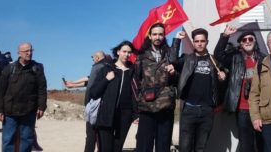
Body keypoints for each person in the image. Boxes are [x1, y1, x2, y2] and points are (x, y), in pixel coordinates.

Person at [173, 28, 226, 152]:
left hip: (207, 110)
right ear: (193, 42)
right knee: (185, 147)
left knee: (200, 148)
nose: (200, 43)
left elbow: (223, 82)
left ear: (207, 42)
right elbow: (172, 60)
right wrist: (177, 40)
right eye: (197, 41)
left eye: (202, 41)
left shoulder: (214, 60)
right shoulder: (187, 58)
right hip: (189, 109)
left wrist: (223, 78)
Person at [214, 26, 266, 152]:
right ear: (241, 44)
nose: (247, 41)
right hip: (243, 108)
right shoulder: (235, 57)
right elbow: (218, 54)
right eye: (244, 40)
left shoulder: (264, 58)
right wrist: (225, 36)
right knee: (246, 143)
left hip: (261, 108)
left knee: (262, 142)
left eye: (250, 39)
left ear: (254, 41)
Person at [0, 43, 47, 152]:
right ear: (19, 53)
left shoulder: (37, 68)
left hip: (29, 111)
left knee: (27, 139)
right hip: (10, 112)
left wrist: (41, 107)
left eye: (31, 50)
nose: (29, 53)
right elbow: (0, 91)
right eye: (26, 51)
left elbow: (42, 89)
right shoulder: (9, 68)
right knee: (8, 140)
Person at [134, 23, 179, 152]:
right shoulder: (141, 56)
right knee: (144, 145)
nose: (157, 37)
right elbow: (136, 81)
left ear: (164, 36)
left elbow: (178, 79)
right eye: (155, 34)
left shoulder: (170, 54)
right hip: (146, 107)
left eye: (160, 34)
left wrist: (174, 73)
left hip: (166, 106)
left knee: (163, 145)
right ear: (150, 36)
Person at [88, 42, 137, 152]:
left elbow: (135, 93)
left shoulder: (133, 70)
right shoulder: (107, 68)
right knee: (105, 148)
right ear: (118, 52)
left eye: (129, 52)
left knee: (117, 148)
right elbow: (94, 93)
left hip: (125, 115)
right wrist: (106, 79)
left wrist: (135, 114)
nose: (127, 54)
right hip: (106, 114)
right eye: (124, 51)